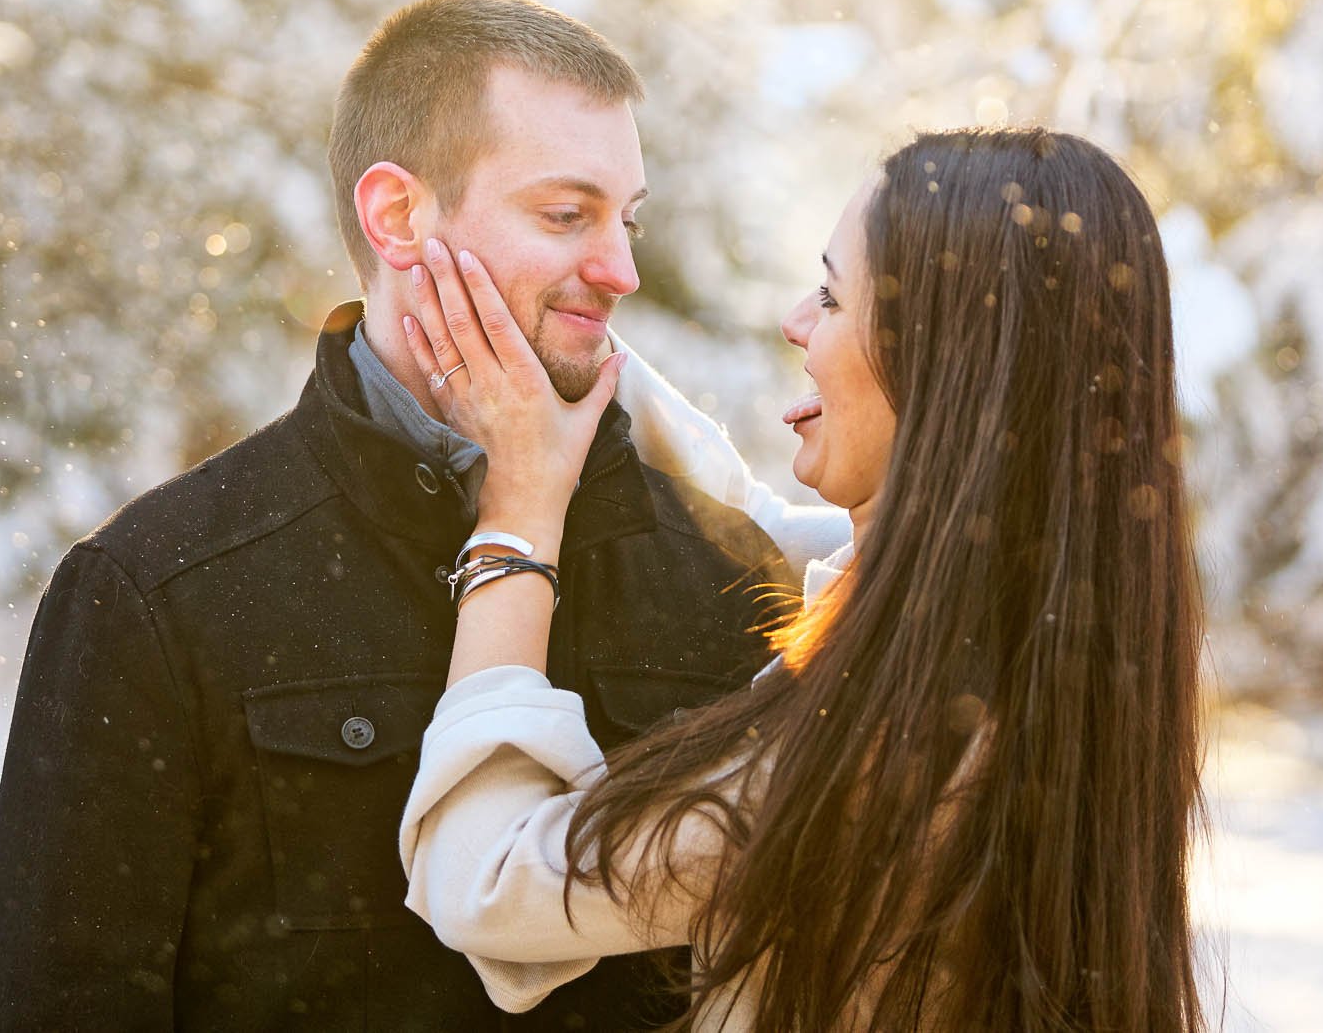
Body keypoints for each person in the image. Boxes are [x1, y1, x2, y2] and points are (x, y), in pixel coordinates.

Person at [0, 0, 830, 1029]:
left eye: (627, 219)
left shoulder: (730, 574)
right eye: (567, 215)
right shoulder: (158, 588)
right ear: (397, 218)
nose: (619, 270)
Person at [399, 127, 1211, 1031]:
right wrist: (586, 355)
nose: (794, 320)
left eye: (830, 294)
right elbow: (757, 530)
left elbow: (488, 880)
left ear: (943, 365)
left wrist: (516, 518)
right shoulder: (1050, 624)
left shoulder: (880, 757)